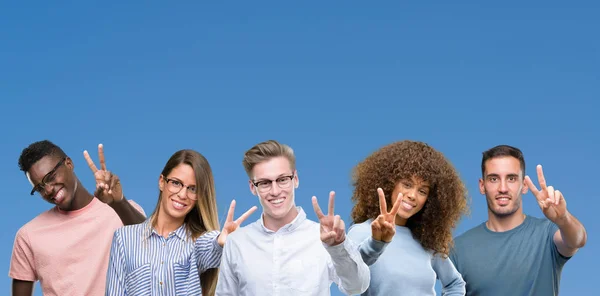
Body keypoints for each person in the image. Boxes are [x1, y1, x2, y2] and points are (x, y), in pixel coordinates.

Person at [215, 140, 370, 296]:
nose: (275, 191)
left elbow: (357, 287)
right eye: (264, 183)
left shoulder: (323, 238)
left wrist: (338, 247)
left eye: (282, 179)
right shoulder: (237, 242)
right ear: (252, 188)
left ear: (295, 179)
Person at [105, 149, 257, 296]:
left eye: (192, 189)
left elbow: (211, 247)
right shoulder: (124, 238)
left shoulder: (196, 242)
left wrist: (221, 241)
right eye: (176, 183)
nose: (183, 194)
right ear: (162, 182)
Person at [9, 141, 146, 296]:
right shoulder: (28, 235)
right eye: (39, 188)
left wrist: (119, 202)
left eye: (51, 177)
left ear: (69, 163)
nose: (48, 190)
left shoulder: (122, 212)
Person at [449, 145, 588, 295]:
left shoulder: (547, 234)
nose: (503, 188)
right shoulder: (459, 249)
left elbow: (577, 240)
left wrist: (563, 218)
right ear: (482, 186)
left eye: (511, 178)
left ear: (524, 185)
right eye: (494, 179)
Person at [347, 140, 469, 295]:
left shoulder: (426, 241)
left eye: (422, 191)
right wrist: (376, 243)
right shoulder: (362, 232)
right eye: (407, 184)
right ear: (389, 183)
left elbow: (455, 284)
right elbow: (349, 277)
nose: (412, 196)